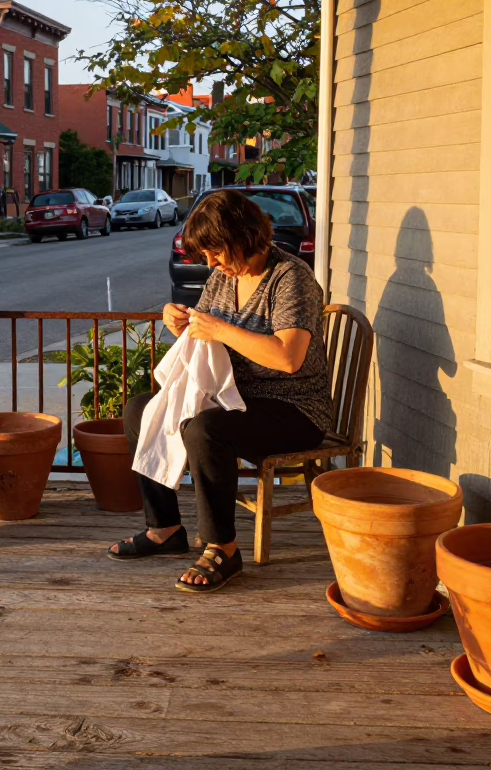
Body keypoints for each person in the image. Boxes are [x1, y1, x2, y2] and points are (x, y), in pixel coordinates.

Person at [108, 188, 334, 592]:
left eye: (215, 251)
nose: (209, 263)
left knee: (205, 429)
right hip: (237, 397)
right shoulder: (223, 277)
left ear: (243, 235)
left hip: (294, 409)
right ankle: (165, 528)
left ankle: (223, 548)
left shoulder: (290, 278)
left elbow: (288, 358)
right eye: (205, 256)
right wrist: (176, 319)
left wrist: (220, 328)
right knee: (142, 408)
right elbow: (205, 326)